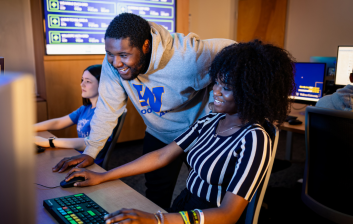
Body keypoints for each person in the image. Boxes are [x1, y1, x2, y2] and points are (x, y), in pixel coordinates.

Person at [63, 40, 296, 224]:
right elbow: (162, 155)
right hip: (184, 207)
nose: (215, 91)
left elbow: (228, 215)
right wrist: (104, 175)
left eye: (225, 88)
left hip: (209, 218)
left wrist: (158, 219)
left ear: (252, 92)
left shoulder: (254, 139)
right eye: (216, 83)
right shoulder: (210, 121)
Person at [52, 13, 235, 209]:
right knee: (154, 197)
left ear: (145, 46)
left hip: (198, 135)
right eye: (110, 54)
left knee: (210, 196)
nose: (116, 63)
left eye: (124, 55)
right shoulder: (113, 64)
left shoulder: (188, 56)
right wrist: (91, 150)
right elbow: (108, 107)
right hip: (159, 133)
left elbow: (241, 54)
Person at [35, 64, 109, 164]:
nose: (82, 84)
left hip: (90, 163)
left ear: (102, 85)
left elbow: (90, 142)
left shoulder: (105, 113)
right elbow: (58, 122)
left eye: (88, 81)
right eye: (82, 80)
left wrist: (49, 142)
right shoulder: (85, 108)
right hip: (77, 155)